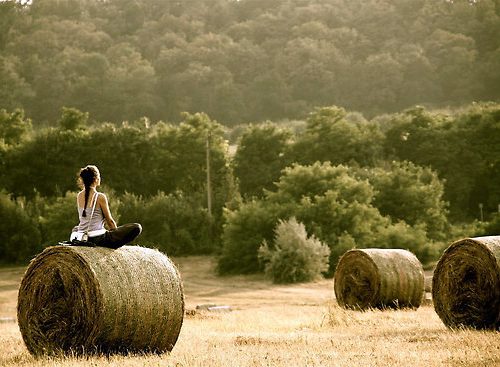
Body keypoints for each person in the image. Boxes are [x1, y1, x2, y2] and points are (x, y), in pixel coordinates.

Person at [71, 164, 142, 249]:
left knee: (76, 227)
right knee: (137, 227)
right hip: (98, 239)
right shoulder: (100, 197)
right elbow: (110, 221)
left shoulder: (79, 196)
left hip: (82, 237)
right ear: (96, 179)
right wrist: (116, 235)